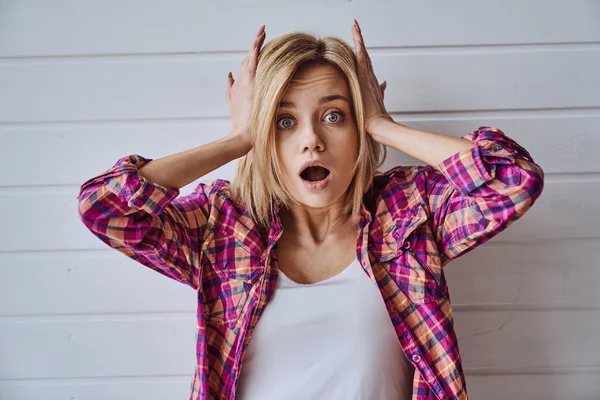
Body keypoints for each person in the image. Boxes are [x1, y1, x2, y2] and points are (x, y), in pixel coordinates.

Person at [77, 21, 544, 400]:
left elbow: (514, 181)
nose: (311, 139)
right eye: (283, 121)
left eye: (335, 115)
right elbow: (105, 207)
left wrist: (382, 122)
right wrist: (237, 139)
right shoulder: (221, 226)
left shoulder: (409, 212)